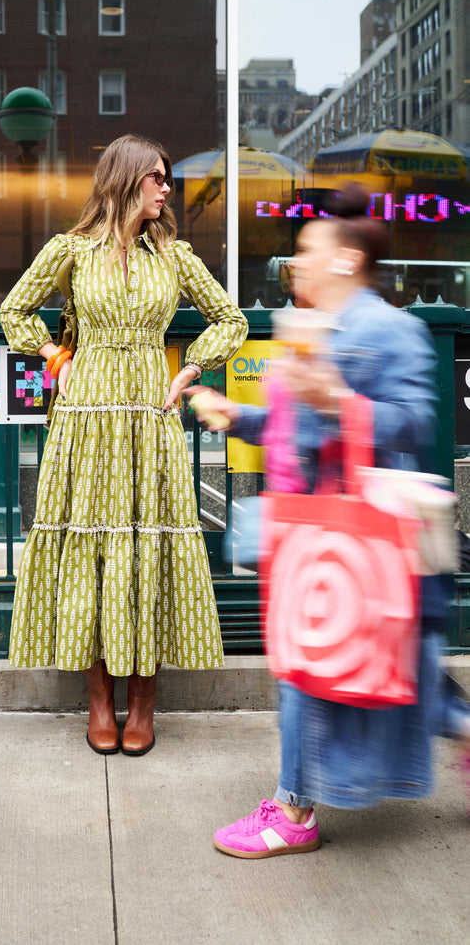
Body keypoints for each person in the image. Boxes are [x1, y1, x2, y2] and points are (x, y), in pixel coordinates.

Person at [188, 182, 470, 857]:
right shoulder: (320, 325)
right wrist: (240, 415)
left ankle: (293, 810)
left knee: (314, 669)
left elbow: (412, 421)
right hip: (328, 534)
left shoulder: (390, 329)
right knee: (392, 670)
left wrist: (339, 398)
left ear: (347, 259)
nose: (297, 264)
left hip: (356, 539)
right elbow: (299, 423)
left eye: (308, 251)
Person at [0, 134, 248, 755]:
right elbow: (14, 311)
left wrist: (191, 368)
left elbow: (232, 320)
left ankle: (143, 703)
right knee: (91, 553)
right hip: (86, 420)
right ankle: (99, 702)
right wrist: (57, 355)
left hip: (151, 417)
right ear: (128, 178)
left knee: (146, 553)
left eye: (167, 180)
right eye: (158, 178)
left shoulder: (175, 256)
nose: (167, 189)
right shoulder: (73, 251)